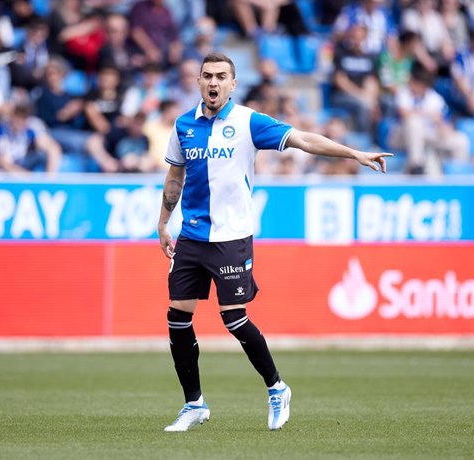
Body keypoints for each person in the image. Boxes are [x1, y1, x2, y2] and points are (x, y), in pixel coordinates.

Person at [157, 52, 391, 432]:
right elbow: (174, 178)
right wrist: (164, 222)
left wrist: (353, 153)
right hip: (191, 237)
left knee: (233, 318)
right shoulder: (184, 125)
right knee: (177, 318)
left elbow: (302, 139)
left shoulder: (249, 122)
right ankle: (194, 404)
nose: (213, 82)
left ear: (233, 84)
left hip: (231, 237)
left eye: (221, 76)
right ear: (198, 82)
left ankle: (277, 387)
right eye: (206, 76)